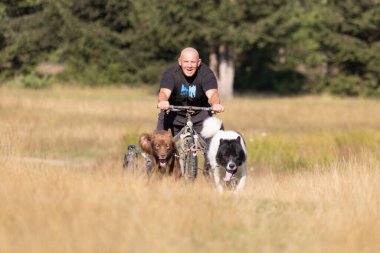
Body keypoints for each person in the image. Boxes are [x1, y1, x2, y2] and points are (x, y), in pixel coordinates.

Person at [156, 47, 224, 136]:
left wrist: (215, 104)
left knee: (213, 145)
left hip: (201, 117)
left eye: (193, 62)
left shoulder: (206, 73)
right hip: (173, 115)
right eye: (186, 62)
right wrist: (163, 101)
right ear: (180, 61)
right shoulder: (171, 73)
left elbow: (213, 94)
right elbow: (164, 92)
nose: (189, 66)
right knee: (159, 143)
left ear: (199, 62)